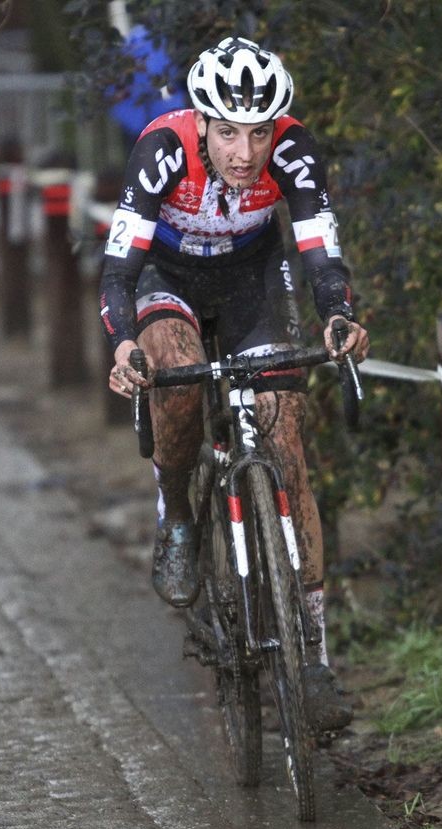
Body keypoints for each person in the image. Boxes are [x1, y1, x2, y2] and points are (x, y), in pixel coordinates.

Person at [99, 36, 369, 732]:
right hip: (168, 277)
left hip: (253, 278)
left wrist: (338, 315)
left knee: (288, 448)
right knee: (179, 380)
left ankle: (313, 657)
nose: (244, 154)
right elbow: (118, 271)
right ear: (201, 124)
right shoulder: (161, 149)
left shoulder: (294, 149)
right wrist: (125, 343)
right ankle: (179, 515)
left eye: (257, 133)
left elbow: (319, 248)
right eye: (227, 134)